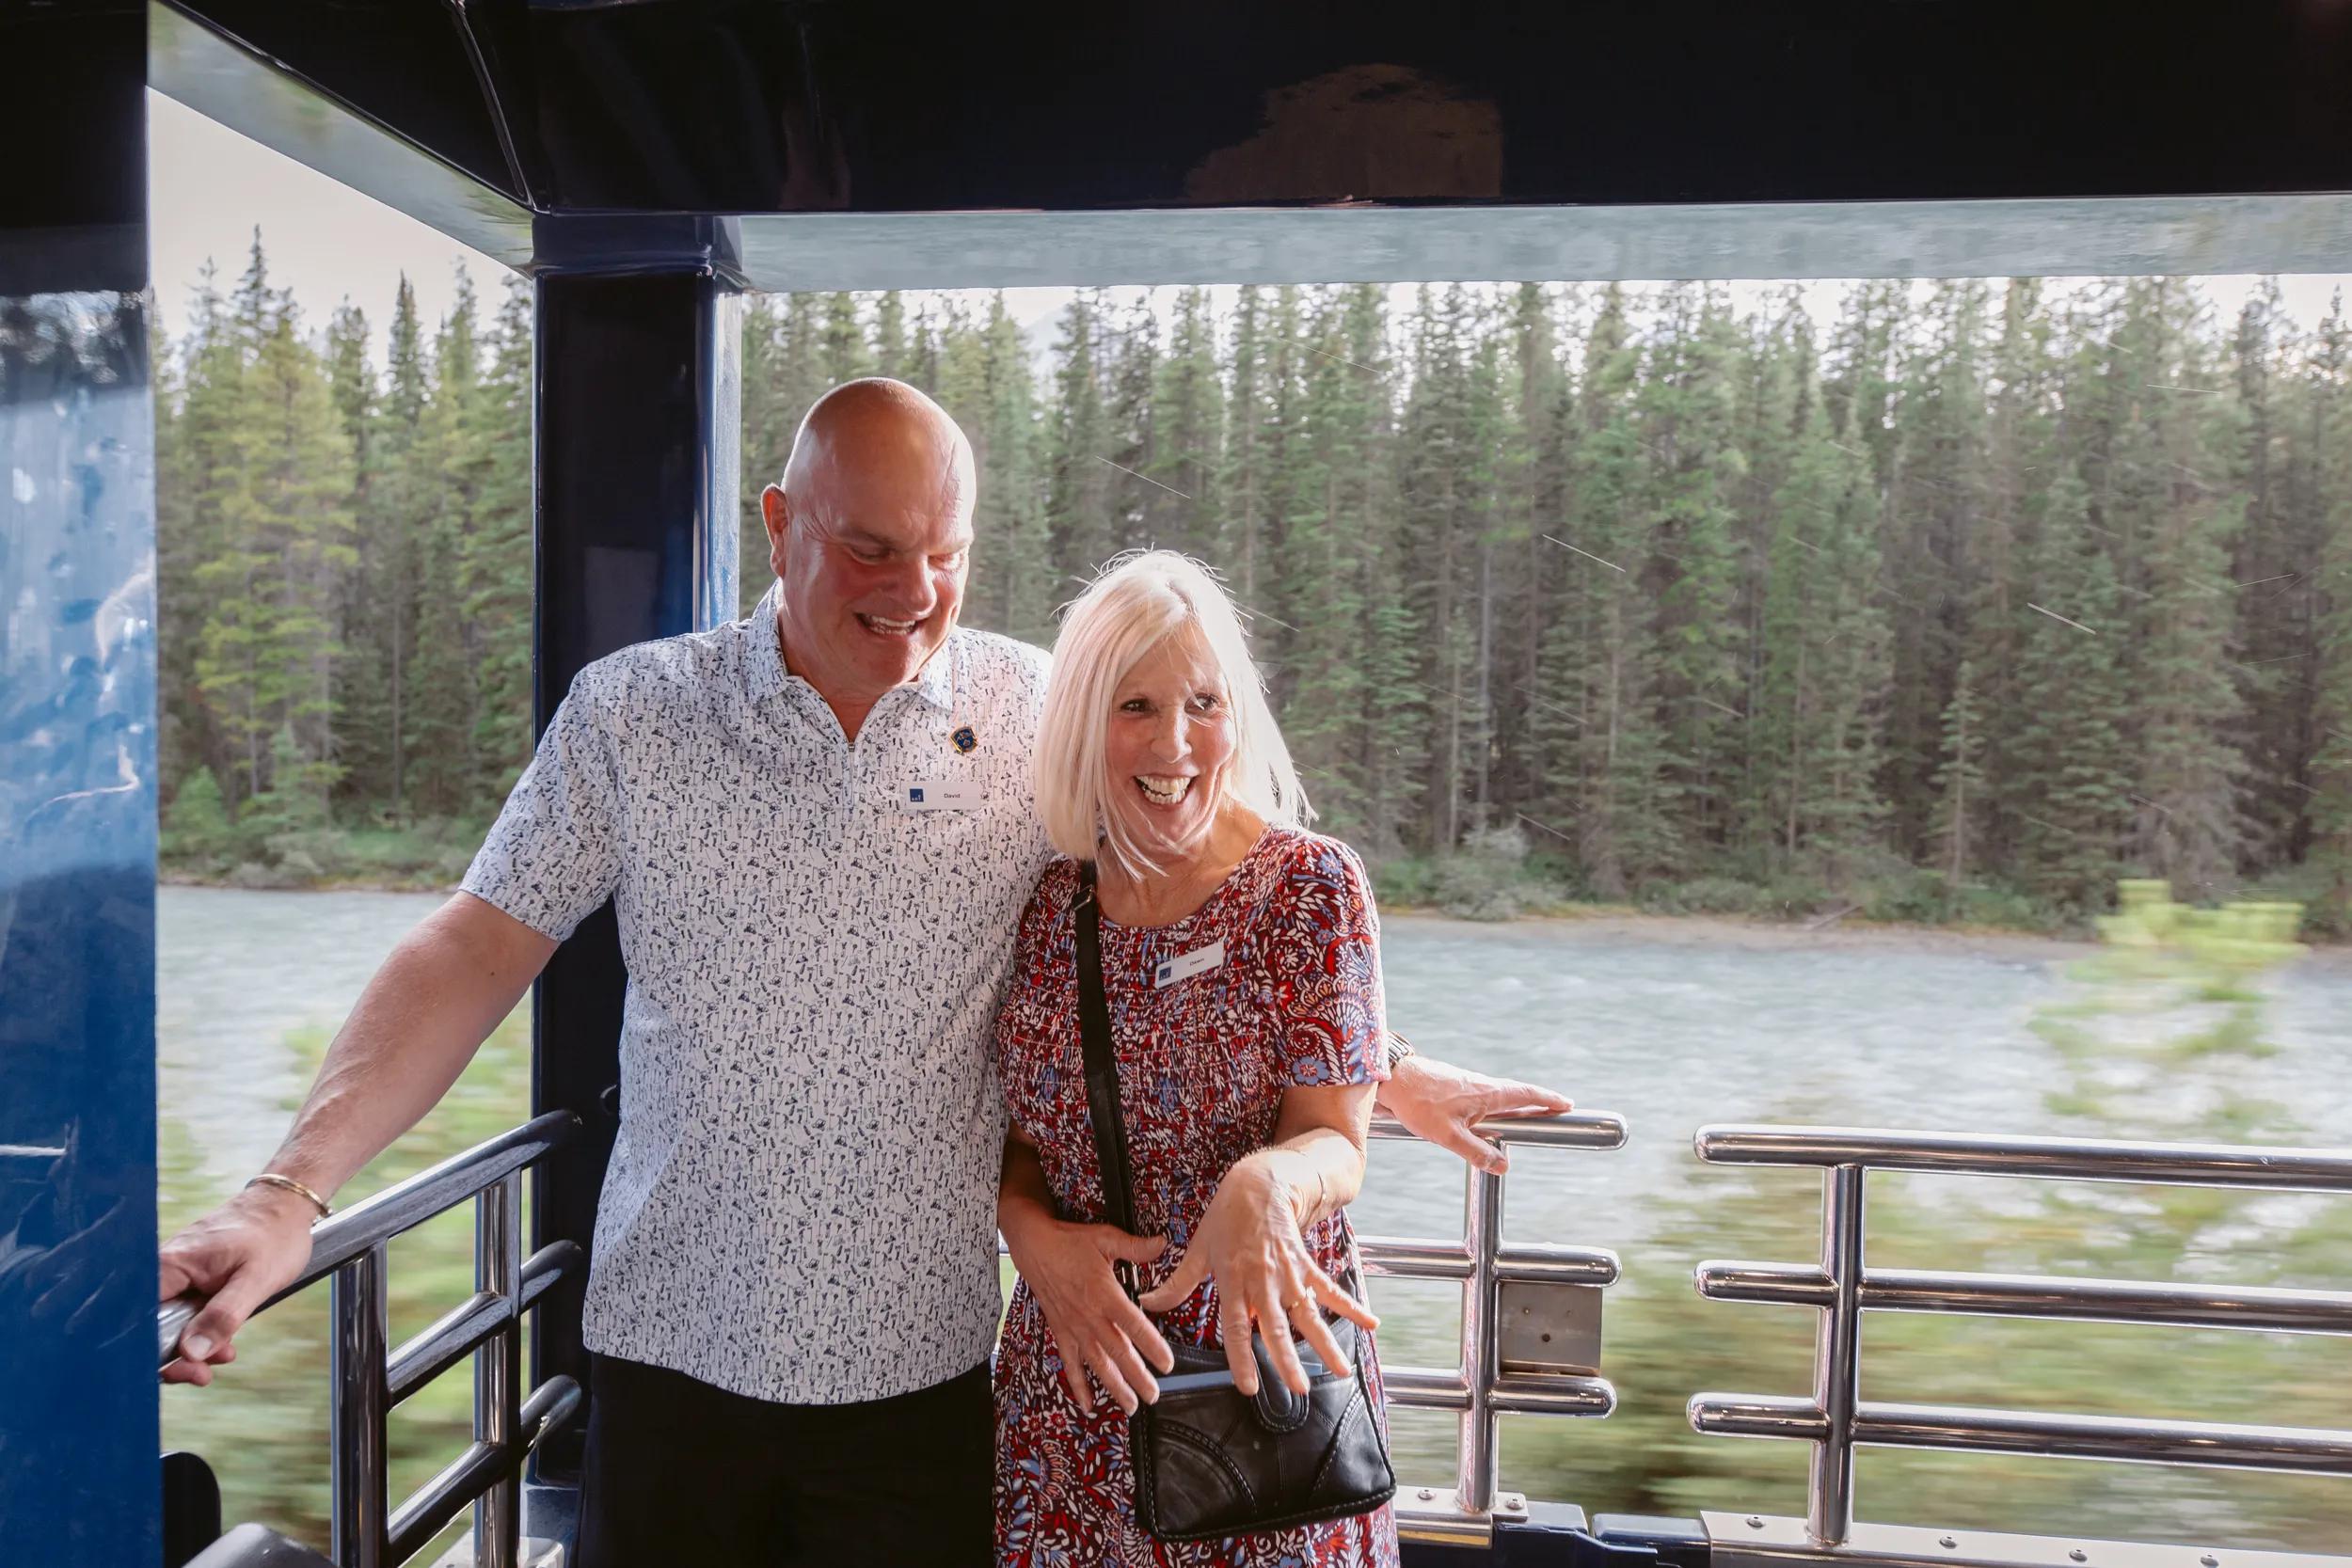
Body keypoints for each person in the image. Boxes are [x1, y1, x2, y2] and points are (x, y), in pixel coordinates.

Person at [157, 379, 1574, 1567]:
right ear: (780, 523)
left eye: (946, 550)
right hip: (671, 1355)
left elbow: (1207, 885)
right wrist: (290, 1192)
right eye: (874, 549)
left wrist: (1373, 1061)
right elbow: (475, 943)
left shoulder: (1041, 714)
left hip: (923, 1381)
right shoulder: (635, 714)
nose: (917, 593)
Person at [994, 552, 1397, 1566]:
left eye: (1203, 703)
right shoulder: (1049, 910)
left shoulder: (1310, 888)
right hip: (1073, 1406)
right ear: (1085, 720)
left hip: (1260, 1406)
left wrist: (1269, 1178)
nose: (1174, 743)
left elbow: (1335, 1140)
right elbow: (1014, 1134)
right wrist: (1026, 1227)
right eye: (1136, 704)